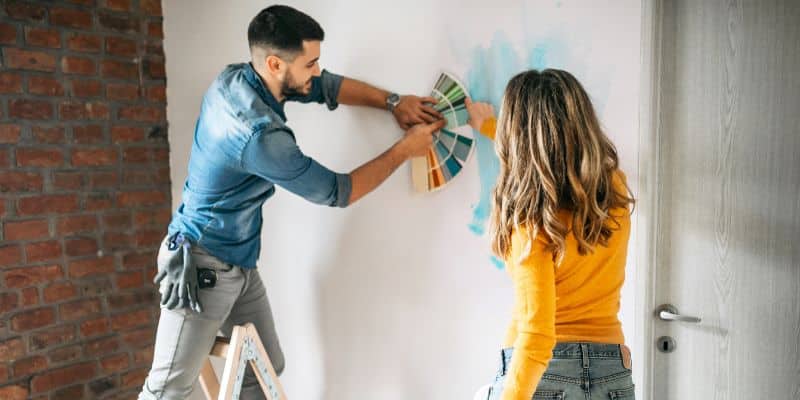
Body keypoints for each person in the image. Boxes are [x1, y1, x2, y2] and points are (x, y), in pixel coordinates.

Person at [138, 5, 445, 399]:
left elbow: (325, 86)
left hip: (239, 259)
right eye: (310, 63)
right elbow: (339, 191)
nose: (317, 71)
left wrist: (393, 102)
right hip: (201, 266)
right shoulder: (260, 136)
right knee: (166, 389)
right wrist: (406, 149)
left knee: (264, 366)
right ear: (274, 63)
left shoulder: (239, 77)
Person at [465, 69, 636, 400]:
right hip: (612, 371)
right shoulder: (613, 188)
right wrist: (488, 126)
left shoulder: (531, 221)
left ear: (517, 138)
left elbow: (537, 335)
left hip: (544, 378)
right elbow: (553, 159)